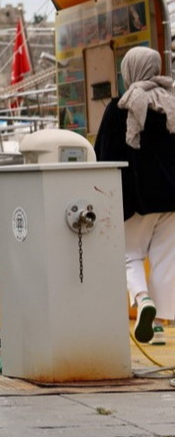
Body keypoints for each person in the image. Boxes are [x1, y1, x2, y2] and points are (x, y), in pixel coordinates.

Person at [94, 46, 175, 345]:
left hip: (136, 199)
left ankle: (143, 300)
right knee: (166, 261)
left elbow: (104, 156)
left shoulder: (120, 108)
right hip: (172, 199)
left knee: (129, 254)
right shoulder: (171, 103)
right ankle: (160, 326)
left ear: (129, 70)